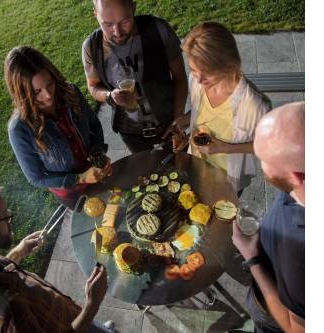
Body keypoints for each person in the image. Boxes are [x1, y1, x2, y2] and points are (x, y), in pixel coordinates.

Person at [0, 180, 115, 333]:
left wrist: (18, 252)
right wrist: (92, 304)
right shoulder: (9, 312)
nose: (10, 220)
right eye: (5, 217)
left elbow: (0, 275)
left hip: (64, 316)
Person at [168, 22, 271, 193]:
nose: (199, 80)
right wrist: (187, 118)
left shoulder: (255, 106)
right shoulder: (197, 81)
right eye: (193, 69)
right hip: (196, 166)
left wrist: (226, 148)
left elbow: (267, 147)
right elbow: (201, 109)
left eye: (207, 72)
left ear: (228, 65)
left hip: (227, 180)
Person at [6, 46, 112, 209]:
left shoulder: (71, 93)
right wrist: (80, 178)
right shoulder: (19, 129)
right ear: (21, 93)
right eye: (36, 92)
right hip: (72, 193)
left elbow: (94, 124)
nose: (48, 95)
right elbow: (36, 177)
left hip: (97, 173)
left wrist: (98, 155)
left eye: (50, 84)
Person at [232, 102, 305, 333]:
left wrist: (252, 258)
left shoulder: (301, 254)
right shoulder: (300, 185)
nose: (261, 166)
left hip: (273, 318)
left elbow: (294, 328)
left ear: (296, 176)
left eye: (263, 159)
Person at [82, 0, 188, 153]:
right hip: (131, 133)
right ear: (95, 13)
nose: (117, 32)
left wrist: (178, 120)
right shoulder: (91, 47)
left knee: (181, 170)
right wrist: (109, 96)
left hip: (169, 123)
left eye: (124, 21)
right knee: (145, 175)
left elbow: (180, 78)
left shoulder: (158, 30)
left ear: (133, 7)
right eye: (107, 24)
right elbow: (93, 86)